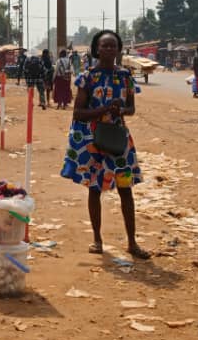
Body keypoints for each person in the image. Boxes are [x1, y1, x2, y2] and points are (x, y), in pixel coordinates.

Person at [60, 30, 151, 259]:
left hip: (118, 139)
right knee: (94, 189)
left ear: (119, 49)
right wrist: (104, 109)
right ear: (96, 49)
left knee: (125, 189)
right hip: (93, 140)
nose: (109, 50)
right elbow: (78, 113)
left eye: (113, 46)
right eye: (105, 46)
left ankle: (132, 242)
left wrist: (121, 110)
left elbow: (132, 108)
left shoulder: (126, 76)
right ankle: (97, 240)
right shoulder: (87, 77)